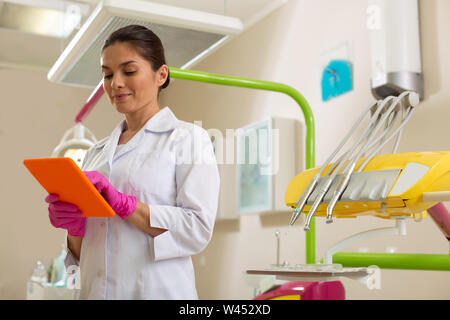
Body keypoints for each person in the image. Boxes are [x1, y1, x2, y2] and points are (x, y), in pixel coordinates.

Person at [45, 25, 220, 299]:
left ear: (161, 75)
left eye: (129, 71)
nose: (115, 83)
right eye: (107, 74)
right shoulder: (95, 153)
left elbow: (197, 228)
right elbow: (83, 257)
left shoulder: (188, 138)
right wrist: (74, 229)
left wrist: (126, 205)